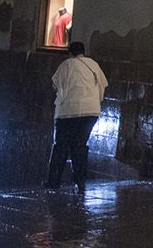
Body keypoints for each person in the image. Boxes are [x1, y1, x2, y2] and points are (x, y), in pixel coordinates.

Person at [46, 41, 108, 192]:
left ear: (70, 52)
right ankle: (80, 181)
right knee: (80, 145)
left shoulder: (67, 64)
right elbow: (103, 84)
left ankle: (54, 182)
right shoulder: (93, 64)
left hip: (68, 111)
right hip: (91, 112)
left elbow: (55, 84)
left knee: (61, 146)